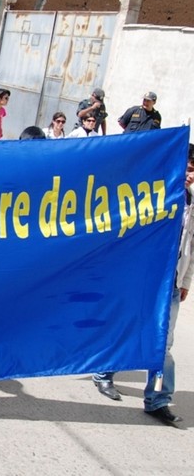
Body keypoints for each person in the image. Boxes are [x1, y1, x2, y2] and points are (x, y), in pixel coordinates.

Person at [93, 144, 194, 426]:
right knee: (127, 328)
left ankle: (157, 399)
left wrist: (185, 280)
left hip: (171, 282)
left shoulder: (191, 201)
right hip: (144, 279)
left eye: (193, 170)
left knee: (164, 345)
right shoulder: (153, 197)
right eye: (186, 168)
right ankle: (103, 373)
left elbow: (192, 247)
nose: (189, 175)